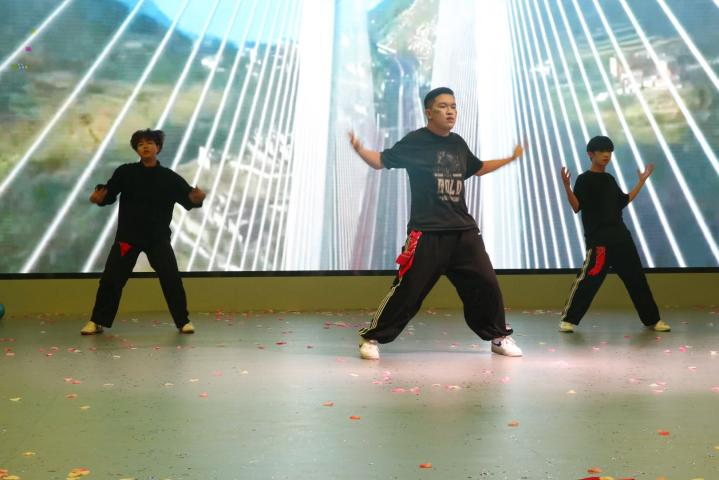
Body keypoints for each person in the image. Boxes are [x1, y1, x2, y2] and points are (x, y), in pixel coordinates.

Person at [348, 86, 524, 359]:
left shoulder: (458, 143)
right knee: (409, 290)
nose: (450, 111)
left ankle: (498, 336)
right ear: (429, 112)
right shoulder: (415, 141)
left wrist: (509, 159)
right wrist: (360, 148)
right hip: (427, 232)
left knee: (486, 284)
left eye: (453, 106)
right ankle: (372, 338)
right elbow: (380, 161)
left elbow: (477, 168)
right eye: (443, 106)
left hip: (463, 231)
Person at [80, 129, 206, 335]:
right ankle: (97, 321)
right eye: (140, 144)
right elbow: (109, 193)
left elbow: (188, 198)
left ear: (158, 147)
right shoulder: (125, 172)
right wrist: (100, 197)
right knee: (111, 279)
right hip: (127, 239)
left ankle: (183, 321)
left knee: (171, 278)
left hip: (157, 239)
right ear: (136, 149)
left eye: (149, 143)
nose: (145, 147)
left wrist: (196, 198)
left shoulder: (168, 177)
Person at [558, 135, 670, 333]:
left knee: (637, 280)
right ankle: (568, 320)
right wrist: (567, 186)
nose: (606, 155)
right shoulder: (584, 179)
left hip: (621, 238)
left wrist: (641, 181)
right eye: (601, 151)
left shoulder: (609, 179)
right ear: (590, 154)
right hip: (599, 242)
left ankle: (653, 320)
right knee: (589, 280)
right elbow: (577, 207)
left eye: (609, 152)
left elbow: (624, 200)